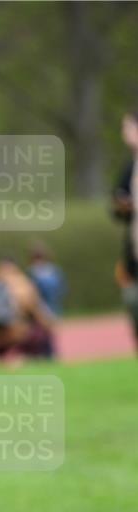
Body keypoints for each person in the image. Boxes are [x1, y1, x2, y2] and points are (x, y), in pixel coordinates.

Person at [0, 256, 56, 362]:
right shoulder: (21, 285)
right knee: (42, 333)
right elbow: (36, 311)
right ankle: (45, 361)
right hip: (15, 334)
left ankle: (2, 360)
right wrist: (49, 323)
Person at [111, 108, 138, 350]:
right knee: (132, 301)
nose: (124, 133)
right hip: (134, 253)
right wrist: (122, 207)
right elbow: (115, 207)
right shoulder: (129, 168)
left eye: (128, 127)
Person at [27, 242, 67, 316]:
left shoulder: (54, 269)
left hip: (51, 302)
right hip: (42, 303)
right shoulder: (32, 271)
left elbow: (62, 287)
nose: (38, 261)